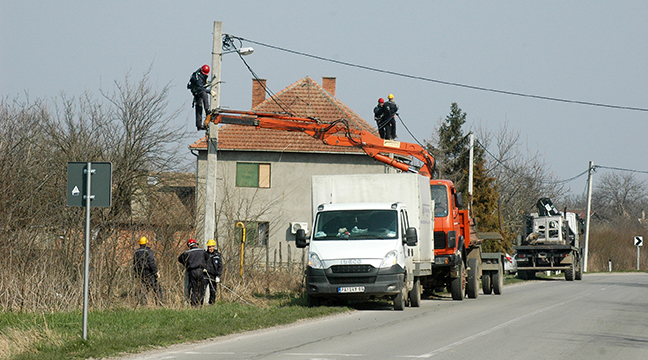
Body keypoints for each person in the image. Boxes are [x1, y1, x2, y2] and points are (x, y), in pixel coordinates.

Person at [132, 236, 163, 305]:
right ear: (146, 243)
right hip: (149, 272)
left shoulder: (136, 252)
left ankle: (144, 304)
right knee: (156, 288)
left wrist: (136, 274)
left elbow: (134, 264)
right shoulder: (148, 251)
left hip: (140, 273)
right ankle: (159, 303)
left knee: (144, 288)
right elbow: (151, 263)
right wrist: (156, 272)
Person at [177, 238, 206, 306]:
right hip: (201, 271)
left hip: (192, 271)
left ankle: (193, 304)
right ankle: (200, 303)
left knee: (193, 288)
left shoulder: (187, 253)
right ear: (196, 244)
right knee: (201, 288)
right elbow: (207, 258)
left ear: (189, 246)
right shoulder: (202, 251)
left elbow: (180, 259)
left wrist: (186, 264)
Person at [187, 65, 211, 131]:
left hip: (199, 89)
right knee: (203, 97)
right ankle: (207, 110)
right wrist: (210, 91)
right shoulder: (197, 77)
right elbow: (201, 89)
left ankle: (199, 124)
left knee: (199, 105)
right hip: (197, 91)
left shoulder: (200, 74)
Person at [203, 239, 223, 305]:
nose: (210, 248)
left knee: (213, 291)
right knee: (202, 290)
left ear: (214, 246)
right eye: (209, 247)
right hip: (205, 275)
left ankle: (211, 304)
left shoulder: (217, 255)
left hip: (214, 276)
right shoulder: (205, 254)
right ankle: (200, 304)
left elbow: (220, 266)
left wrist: (218, 276)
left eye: (211, 246)